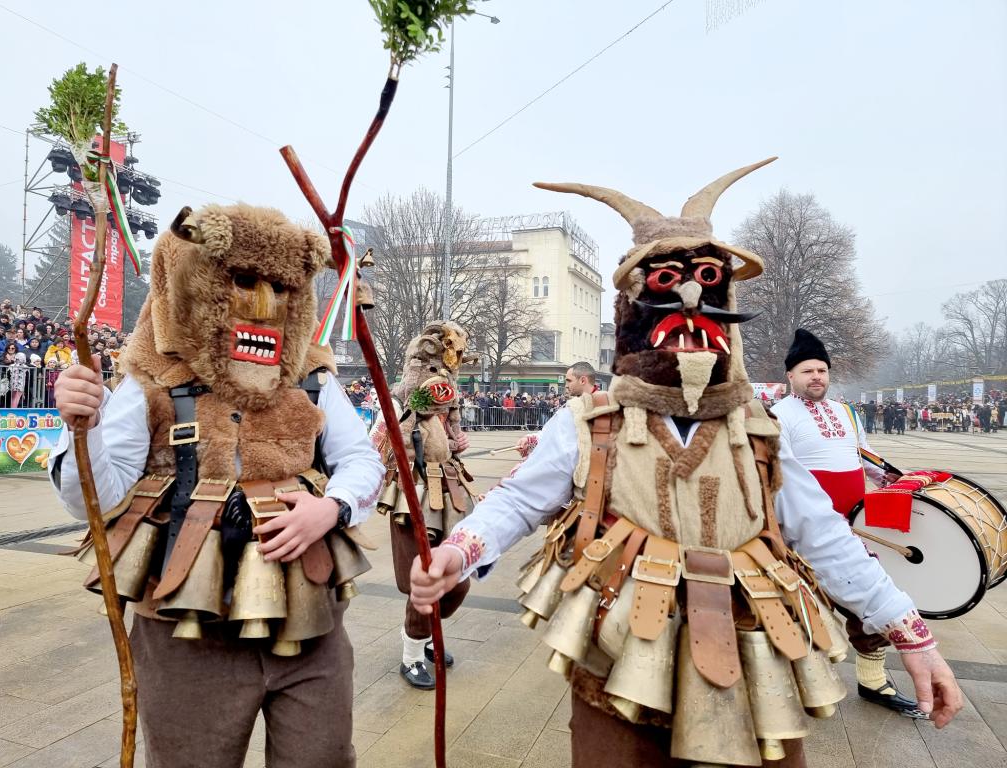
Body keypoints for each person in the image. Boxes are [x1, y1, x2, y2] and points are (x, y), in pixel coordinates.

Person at [408, 160, 961, 767]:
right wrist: (461, 550)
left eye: (705, 283)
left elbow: (823, 534)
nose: (692, 305)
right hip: (616, 653)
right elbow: (517, 499)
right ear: (634, 318)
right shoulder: (590, 421)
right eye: (669, 285)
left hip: (752, 650)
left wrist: (910, 631)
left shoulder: (760, 430)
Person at [48, 203, 384, 768]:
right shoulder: (152, 378)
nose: (264, 303)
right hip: (186, 635)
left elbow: (360, 461)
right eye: (244, 281)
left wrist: (331, 508)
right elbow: (95, 500)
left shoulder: (311, 376)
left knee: (324, 758)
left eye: (280, 286)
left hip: (310, 626)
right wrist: (83, 428)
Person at [772, 329, 922, 717]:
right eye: (808, 370)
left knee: (866, 604)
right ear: (791, 375)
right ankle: (795, 682)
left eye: (822, 370)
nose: (817, 376)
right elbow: (778, 474)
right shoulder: (777, 416)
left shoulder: (846, 412)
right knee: (800, 608)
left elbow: (864, 455)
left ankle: (874, 682)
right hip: (803, 531)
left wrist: (889, 476)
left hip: (854, 528)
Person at [370, 321, 478, 689]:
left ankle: (427, 637)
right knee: (423, 579)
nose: (441, 375)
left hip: (448, 491)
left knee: (456, 580)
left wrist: (457, 439)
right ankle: (412, 655)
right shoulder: (399, 398)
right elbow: (377, 445)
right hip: (410, 494)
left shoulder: (449, 404)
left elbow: (451, 440)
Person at [515, 361, 597, 458]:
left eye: (569, 381)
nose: (566, 385)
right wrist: (531, 440)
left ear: (583, 380)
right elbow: (552, 432)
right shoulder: (571, 405)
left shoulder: (603, 408)